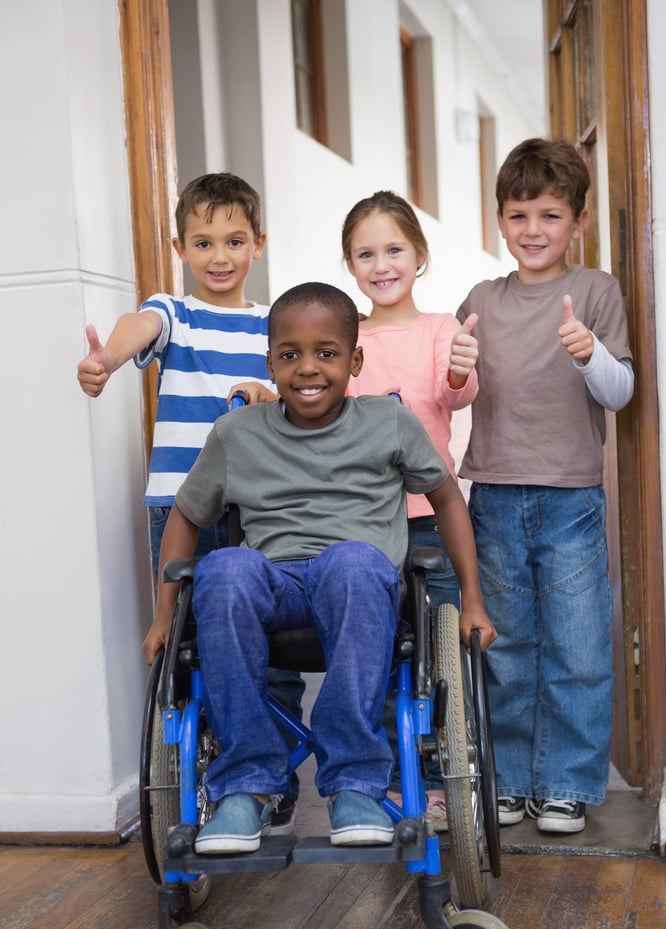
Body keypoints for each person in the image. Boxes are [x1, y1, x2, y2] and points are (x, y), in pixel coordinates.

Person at [141, 282, 496, 853]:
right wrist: (164, 617)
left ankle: (354, 782)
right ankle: (247, 786)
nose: (308, 368)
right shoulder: (236, 434)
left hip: (360, 584)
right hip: (274, 584)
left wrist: (472, 602)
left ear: (355, 360)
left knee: (353, 561)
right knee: (225, 568)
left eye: (327, 353)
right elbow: (185, 515)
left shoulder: (389, 423)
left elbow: (448, 499)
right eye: (290, 355)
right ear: (270, 361)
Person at [76, 172, 299, 832]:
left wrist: (270, 398)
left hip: (259, 507)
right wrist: (108, 360)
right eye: (203, 242)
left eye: (234, 240)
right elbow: (135, 325)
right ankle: (203, 772)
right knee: (186, 641)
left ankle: (272, 774)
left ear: (258, 243)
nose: (220, 255)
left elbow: (298, 390)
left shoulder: (272, 323)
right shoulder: (175, 312)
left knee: (271, 641)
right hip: (181, 505)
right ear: (180, 246)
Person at [457, 137, 634, 835]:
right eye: (519, 215)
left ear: (579, 222)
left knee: (578, 646)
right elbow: (457, 393)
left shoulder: (595, 291)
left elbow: (618, 394)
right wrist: (456, 369)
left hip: (569, 497)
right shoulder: (480, 298)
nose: (533, 231)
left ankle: (563, 785)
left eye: (550, 215)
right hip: (494, 494)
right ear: (500, 220)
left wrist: (590, 354)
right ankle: (508, 780)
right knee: (505, 646)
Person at [341, 190, 479, 827]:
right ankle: (382, 779)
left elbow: (457, 396)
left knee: (436, 652)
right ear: (350, 265)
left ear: (419, 256)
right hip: (364, 521)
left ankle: (444, 773)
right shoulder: (347, 340)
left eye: (394, 249)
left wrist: (458, 370)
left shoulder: (440, 328)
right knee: (374, 649)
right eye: (365, 253)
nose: (381, 263)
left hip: (430, 514)